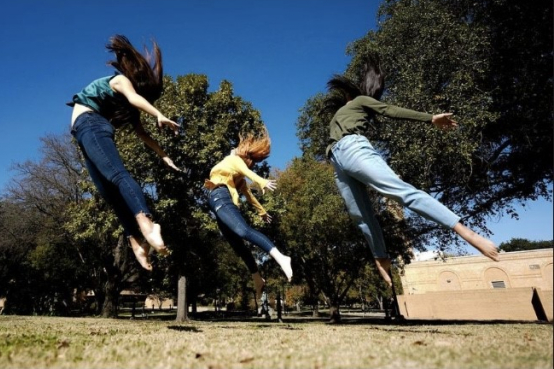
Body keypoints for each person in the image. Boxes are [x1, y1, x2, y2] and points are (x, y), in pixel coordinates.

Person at [325, 54, 499, 287]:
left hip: (353, 148)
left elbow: (389, 110)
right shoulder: (346, 111)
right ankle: (381, 256)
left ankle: (465, 232)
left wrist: (430, 119)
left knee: (401, 191)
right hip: (338, 161)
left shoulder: (360, 101)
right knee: (361, 215)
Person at [68, 34, 181, 271]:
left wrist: (162, 151)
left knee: (118, 175)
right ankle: (136, 241)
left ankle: (147, 224)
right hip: (84, 131)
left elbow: (142, 131)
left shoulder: (127, 91)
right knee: (108, 192)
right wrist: (158, 121)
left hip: (91, 124)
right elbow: (134, 101)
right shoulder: (121, 81)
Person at [204, 128, 292, 300]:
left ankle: (281, 258)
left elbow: (248, 185)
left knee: (243, 231)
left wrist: (262, 184)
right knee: (238, 246)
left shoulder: (235, 163)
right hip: (219, 202)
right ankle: (257, 278)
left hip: (220, 197)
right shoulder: (234, 159)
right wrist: (262, 210)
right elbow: (249, 189)